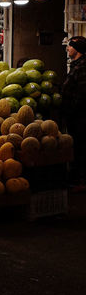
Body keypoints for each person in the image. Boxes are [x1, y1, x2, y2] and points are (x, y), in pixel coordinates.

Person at [62, 36, 86, 190]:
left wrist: (72, 110)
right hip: (74, 116)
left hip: (80, 117)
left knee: (81, 148)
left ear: (77, 49)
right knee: (76, 147)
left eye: (70, 46)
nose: (67, 48)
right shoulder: (77, 65)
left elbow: (82, 93)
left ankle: (81, 182)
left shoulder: (83, 67)